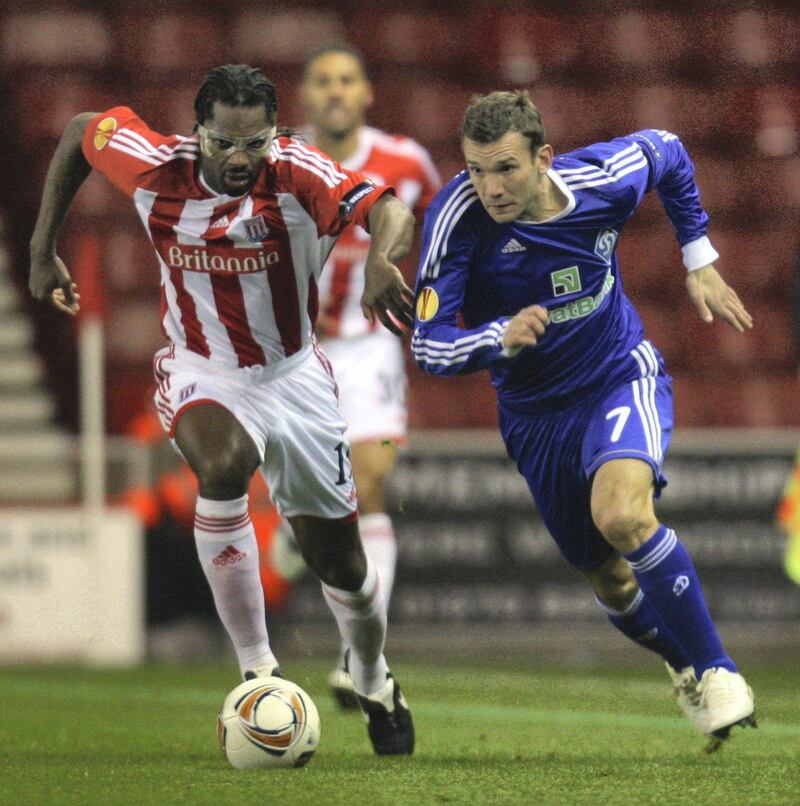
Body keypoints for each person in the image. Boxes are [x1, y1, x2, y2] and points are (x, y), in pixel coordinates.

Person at [28, 63, 416, 755]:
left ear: (275, 134)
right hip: (201, 367)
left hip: (295, 378)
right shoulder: (152, 165)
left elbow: (390, 207)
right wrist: (42, 245)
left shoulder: (297, 171)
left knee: (343, 567)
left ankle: (374, 672)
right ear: (197, 131)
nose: (240, 159)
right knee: (223, 464)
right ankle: (257, 672)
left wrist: (384, 258)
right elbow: (82, 132)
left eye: (255, 144)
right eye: (224, 144)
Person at [412, 90, 756, 750]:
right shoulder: (457, 216)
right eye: (477, 169)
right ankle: (684, 661)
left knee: (623, 514)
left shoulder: (601, 180)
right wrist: (495, 337)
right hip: (535, 416)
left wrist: (699, 256)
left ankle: (718, 669)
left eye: (506, 168)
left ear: (544, 158)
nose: (490, 187)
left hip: (617, 375)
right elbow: (428, 343)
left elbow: (668, 150)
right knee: (610, 576)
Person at [270, 43, 442, 707]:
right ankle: (291, 539)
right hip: (292, 351)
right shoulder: (280, 161)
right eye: (322, 81)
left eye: (347, 79)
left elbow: (443, 225)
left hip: (369, 346)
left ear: (367, 92)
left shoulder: (406, 161)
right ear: (306, 96)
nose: (336, 91)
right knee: (307, 506)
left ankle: (358, 652)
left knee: (369, 479)